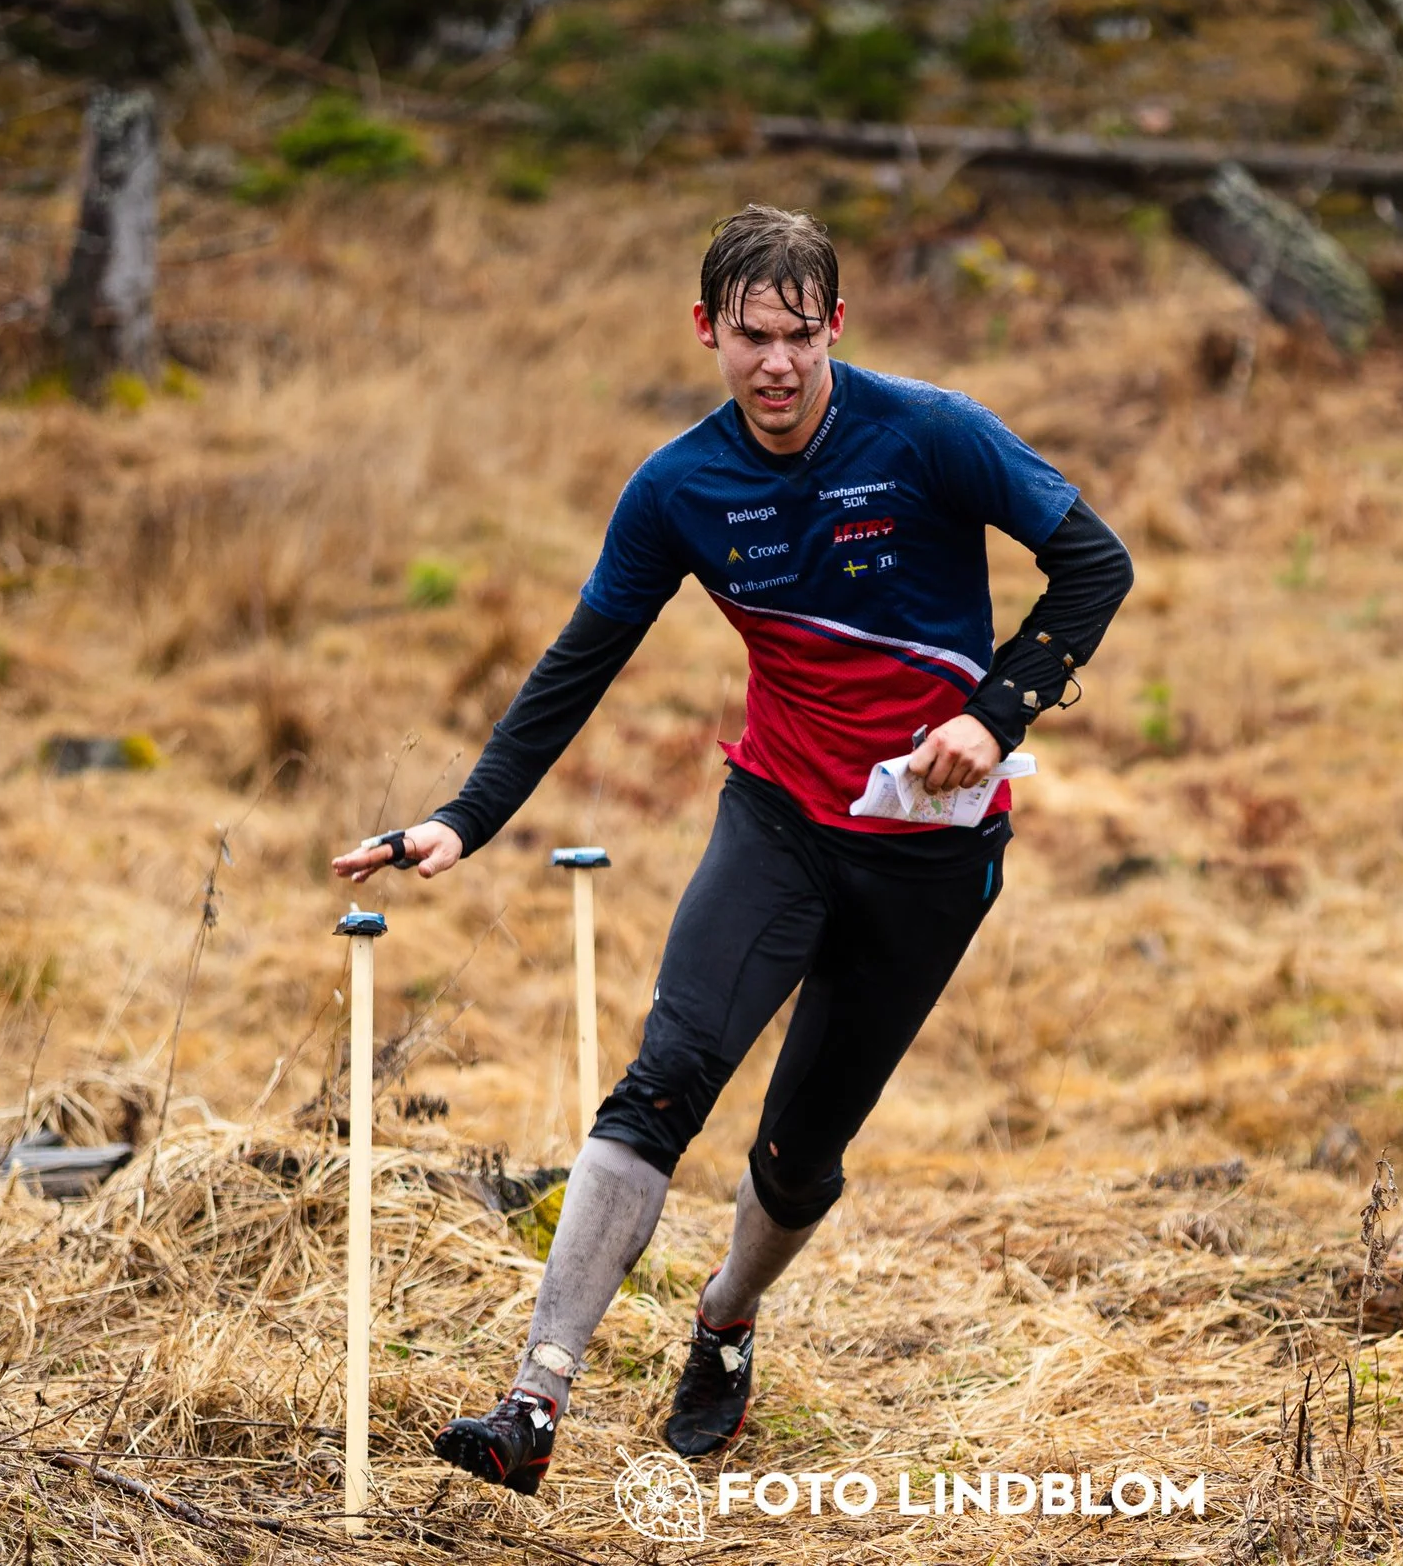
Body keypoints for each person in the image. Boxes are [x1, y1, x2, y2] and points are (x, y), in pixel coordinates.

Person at [331, 204, 1133, 1493]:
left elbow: (1097, 565)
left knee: (797, 1154)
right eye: (751, 338)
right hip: (777, 821)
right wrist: (462, 818)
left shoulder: (931, 433)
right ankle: (534, 1402)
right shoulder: (678, 488)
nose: (776, 367)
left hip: (927, 852)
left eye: (800, 340)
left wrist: (996, 714)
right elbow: (579, 663)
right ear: (707, 330)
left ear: (835, 328)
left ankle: (726, 1318)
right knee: (664, 1078)